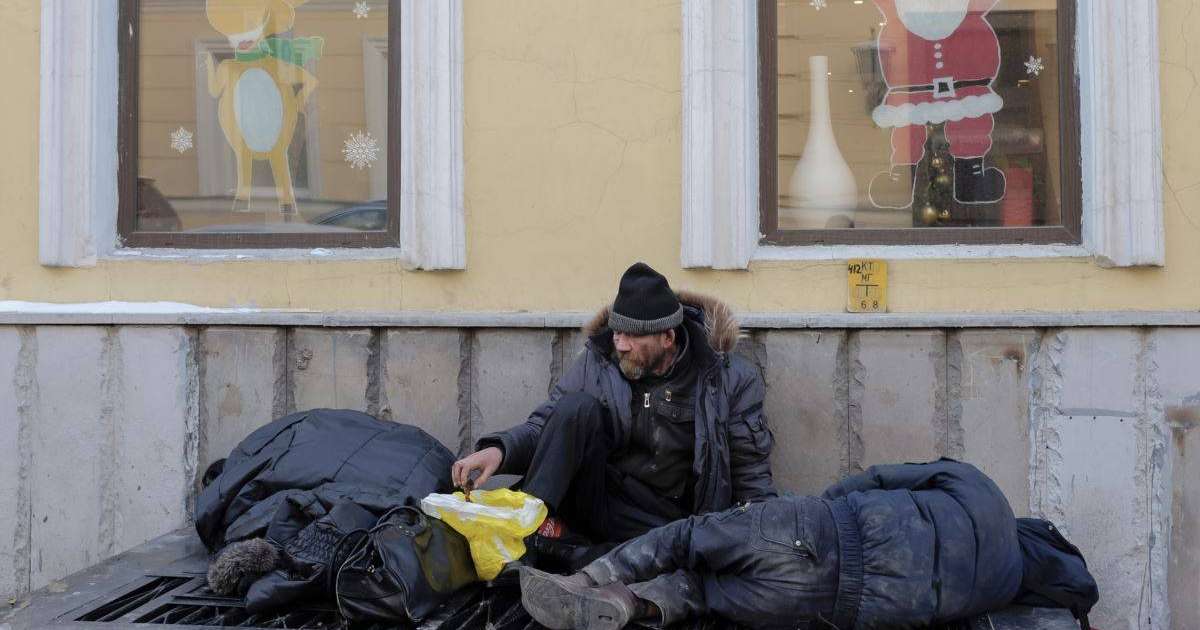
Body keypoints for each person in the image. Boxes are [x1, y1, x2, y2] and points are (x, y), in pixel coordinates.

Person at [452, 262, 776, 602]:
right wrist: (499, 451)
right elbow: (548, 427)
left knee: (673, 557)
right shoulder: (600, 360)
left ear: (668, 338)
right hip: (602, 496)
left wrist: (768, 540)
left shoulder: (727, 380)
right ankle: (529, 538)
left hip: (666, 520)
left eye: (632, 336)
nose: (619, 344)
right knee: (576, 408)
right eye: (617, 332)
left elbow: (750, 475)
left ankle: (575, 557)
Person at [519, 459, 1025, 630]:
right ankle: (629, 605)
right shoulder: (1000, 587)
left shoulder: (980, 488)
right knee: (701, 590)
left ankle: (587, 580)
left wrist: (824, 507)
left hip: (823, 528)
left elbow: (878, 478)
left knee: (687, 538)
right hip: (828, 605)